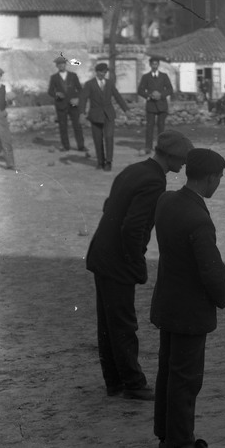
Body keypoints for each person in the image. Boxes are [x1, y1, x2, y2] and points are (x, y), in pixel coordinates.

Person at [85, 130, 194, 401]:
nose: (183, 164)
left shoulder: (134, 170)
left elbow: (109, 205)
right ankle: (133, 383)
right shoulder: (155, 181)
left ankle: (115, 382)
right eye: (181, 159)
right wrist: (136, 261)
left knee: (108, 323)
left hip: (102, 254)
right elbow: (133, 227)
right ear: (170, 156)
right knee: (123, 324)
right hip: (118, 260)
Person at [152, 148, 225, 448]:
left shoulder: (166, 201)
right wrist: (221, 298)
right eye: (219, 178)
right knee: (186, 378)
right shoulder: (199, 219)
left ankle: (166, 434)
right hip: (190, 309)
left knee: (168, 370)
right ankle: (184, 445)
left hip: (168, 302)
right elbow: (211, 270)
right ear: (210, 178)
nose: (218, 183)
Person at [80, 62, 130, 171]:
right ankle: (100, 161)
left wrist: (126, 109)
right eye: (101, 72)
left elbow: (117, 96)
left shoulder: (110, 83)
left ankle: (108, 162)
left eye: (105, 72)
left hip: (108, 115)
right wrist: (82, 113)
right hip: (95, 115)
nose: (103, 74)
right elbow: (83, 99)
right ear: (97, 72)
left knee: (109, 137)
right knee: (97, 139)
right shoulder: (89, 84)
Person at [48, 55, 87, 153]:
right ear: (56, 66)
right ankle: (66, 146)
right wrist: (56, 94)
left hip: (73, 104)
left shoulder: (73, 76)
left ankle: (81, 146)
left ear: (66, 65)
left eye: (63, 64)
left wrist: (77, 98)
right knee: (63, 126)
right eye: (59, 64)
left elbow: (80, 90)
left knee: (77, 126)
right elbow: (50, 91)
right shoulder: (54, 77)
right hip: (61, 105)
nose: (61, 66)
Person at [138, 56, 175, 155]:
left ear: (158, 65)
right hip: (151, 105)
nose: (154, 66)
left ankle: (161, 147)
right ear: (150, 65)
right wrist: (149, 96)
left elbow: (170, 89)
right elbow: (140, 90)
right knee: (149, 126)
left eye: (156, 64)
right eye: (153, 64)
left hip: (162, 104)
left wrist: (161, 95)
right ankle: (148, 147)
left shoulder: (164, 76)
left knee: (161, 126)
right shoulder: (145, 77)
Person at [0, 67, 15, 171]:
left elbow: (10, 102)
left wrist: (11, 100)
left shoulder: (4, 87)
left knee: (5, 139)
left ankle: (10, 163)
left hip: (0, 115)